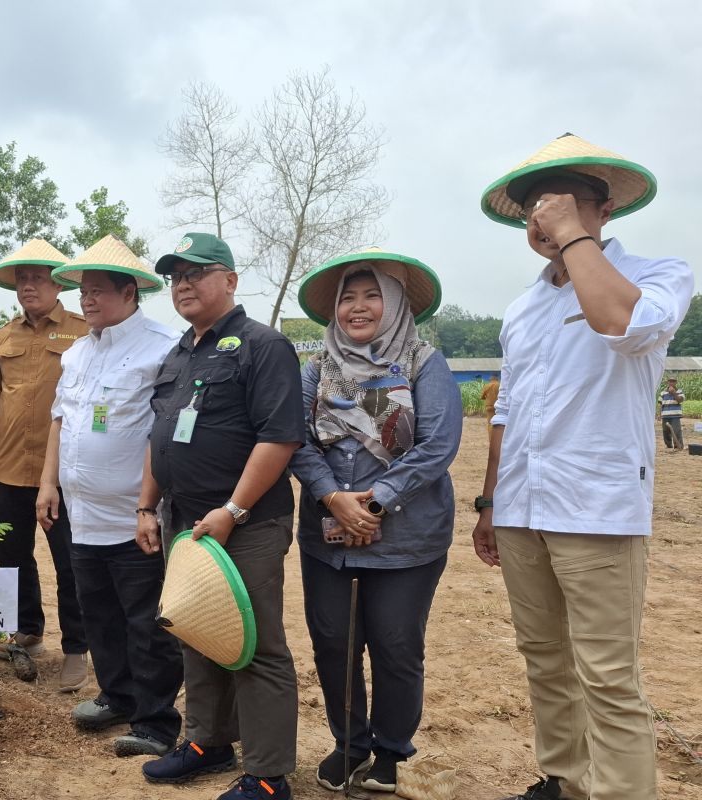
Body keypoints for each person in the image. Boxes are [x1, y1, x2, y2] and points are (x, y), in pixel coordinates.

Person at [474, 134, 694, 800]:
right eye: (535, 211)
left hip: (595, 507)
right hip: (520, 507)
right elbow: (507, 406)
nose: (544, 219)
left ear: (602, 209)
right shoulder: (522, 307)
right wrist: (488, 505)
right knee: (544, 660)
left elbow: (623, 326)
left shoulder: (660, 275)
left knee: (607, 674)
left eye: (561, 204)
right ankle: (563, 780)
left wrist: (574, 240)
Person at [137, 232, 305, 800]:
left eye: (197, 272)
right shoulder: (179, 352)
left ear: (230, 280)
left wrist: (232, 510)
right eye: (175, 275)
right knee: (195, 629)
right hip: (185, 522)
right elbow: (161, 436)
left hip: (248, 523)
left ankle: (268, 773)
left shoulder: (264, 345)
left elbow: (280, 438)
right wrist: (145, 506)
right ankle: (208, 741)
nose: (183, 283)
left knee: (255, 643)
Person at [290, 249, 461, 792]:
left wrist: (378, 499)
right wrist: (331, 497)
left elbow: (438, 445)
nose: (357, 308)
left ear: (394, 306)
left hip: (410, 535)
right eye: (347, 298)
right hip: (328, 534)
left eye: (371, 297)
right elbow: (294, 440)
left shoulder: (422, 362)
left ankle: (389, 750)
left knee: (395, 643)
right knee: (334, 643)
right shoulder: (316, 368)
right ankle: (349, 743)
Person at [35, 236, 183, 756]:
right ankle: (116, 695)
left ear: (130, 292)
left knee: (145, 618)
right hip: (82, 509)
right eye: (82, 292)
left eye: (98, 291)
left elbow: (162, 434)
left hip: (135, 513)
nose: (87, 300)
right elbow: (60, 420)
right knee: (96, 609)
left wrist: (148, 505)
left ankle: (157, 721)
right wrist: (48, 482)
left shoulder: (164, 348)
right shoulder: (77, 351)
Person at [0, 238, 90, 691]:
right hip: (8, 470)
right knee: (13, 557)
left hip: (62, 474)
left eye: (38, 277)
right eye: (22, 278)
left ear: (57, 284)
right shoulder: (4, 335)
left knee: (70, 561)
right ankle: (28, 631)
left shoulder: (82, 331)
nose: (28, 285)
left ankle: (77, 648)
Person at [659, 376, 685, 451]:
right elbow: (660, 404)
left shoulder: (679, 391)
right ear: (668, 382)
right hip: (665, 415)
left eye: (673, 381)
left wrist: (674, 393)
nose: (671, 383)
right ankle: (669, 446)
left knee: (676, 431)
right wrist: (659, 414)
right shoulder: (663, 392)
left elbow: (680, 400)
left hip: (675, 415)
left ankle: (678, 446)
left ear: (676, 383)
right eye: (670, 381)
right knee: (665, 431)